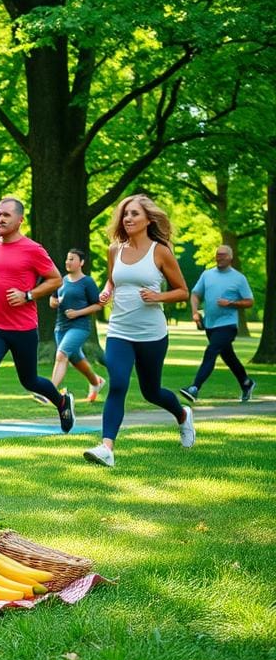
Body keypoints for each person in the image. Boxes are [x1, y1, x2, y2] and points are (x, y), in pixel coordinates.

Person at [84, 194, 193, 468]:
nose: (128, 219)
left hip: (151, 333)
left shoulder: (160, 251)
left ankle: (182, 415)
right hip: (120, 330)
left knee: (151, 391)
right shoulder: (114, 250)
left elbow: (182, 291)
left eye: (134, 214)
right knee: (118, 383)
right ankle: (107, 447)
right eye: (125, 214)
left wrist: (158, 297)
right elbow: (112, 279)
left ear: (148, 219)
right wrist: (106, 291)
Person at [0, 197, 74, 455]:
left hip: (23, 327)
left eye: (6, 215)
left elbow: (56, 279)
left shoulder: (33, 249)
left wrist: (28, 295)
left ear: (20, 219)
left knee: (30, 380)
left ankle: (61, 401)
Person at [180, 245, 256, 403]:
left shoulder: (238, 278)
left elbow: (249, 301)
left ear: (230, 257)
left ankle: (194, 388)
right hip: (210, 325)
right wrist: (195, 312)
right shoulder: (207, 275)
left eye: (223, 255)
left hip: (228, 325)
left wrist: (231, 303)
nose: (219, 257)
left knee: (211, 351)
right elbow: (195, 294)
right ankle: (246, 383)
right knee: (229, 357)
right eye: (217, 255)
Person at [43, 248, 106, 401]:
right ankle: (96, 381)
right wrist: (53, 302)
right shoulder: (62, 280)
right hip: (61, 327)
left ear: (81, 262)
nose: (68, 262)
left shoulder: (87, 282)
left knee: (61, 355)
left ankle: (49, 393)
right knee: (76, 360)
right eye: (67, 259)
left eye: (72, 259)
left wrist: (78, 313)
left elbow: (98, 305)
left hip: (79, 327)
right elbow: (52, 299)